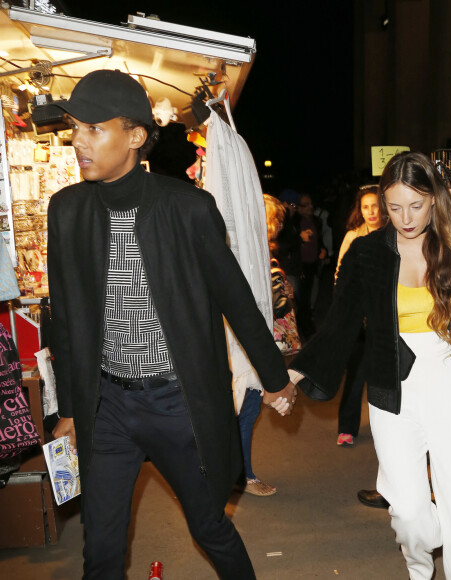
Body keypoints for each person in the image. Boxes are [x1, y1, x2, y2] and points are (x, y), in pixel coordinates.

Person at [47, 70, 297, 580]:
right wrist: (71, 407)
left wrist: (273, 380)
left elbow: (237, 299)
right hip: (108, 405)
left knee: (209, 527)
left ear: (136, 135)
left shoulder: (187, 209)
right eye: (76, 128)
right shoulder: (67, 211)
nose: (80, 141)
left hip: (177, 402)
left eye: (95, 128)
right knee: (101, 549)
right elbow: (67, 318)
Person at [289, 152, 451, 580]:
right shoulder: (367, 253)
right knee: (407, 512)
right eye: (394, 207)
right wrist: (292, 374)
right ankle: (421, 566)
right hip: (393, 386)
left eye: (416, 206)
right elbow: (340, 322)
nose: (405, 218)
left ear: (434, 199)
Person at [233, 194, 288, 498]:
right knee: (247, 409)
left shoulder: (249, 253)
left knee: (242, 410)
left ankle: (238, 473)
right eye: (273, 219)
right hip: (247, 346)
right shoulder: (255, 257)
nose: (276, 226)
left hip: (241, 344)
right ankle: (245, 476)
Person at [335, 185, 387, 447]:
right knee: (355, 375)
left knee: (387, 375)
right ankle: (346, 427)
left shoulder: (393, 234)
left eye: (375, 206)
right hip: (359, 318)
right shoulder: (353, 237)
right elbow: (340, 277)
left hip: (386, 317)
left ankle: (391, 429)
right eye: (366, 207)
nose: (371, 212)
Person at [293, 192, 327, 339]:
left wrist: (323, 250)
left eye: (311, 204)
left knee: (309, 296)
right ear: (299, 208)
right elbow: (290, 243)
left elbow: (319, 239)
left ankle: (306, 325)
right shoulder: (294, 222)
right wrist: (299, 238)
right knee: (302, 298)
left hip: (313, 263)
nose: (310, 207)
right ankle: (305, 328)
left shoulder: (316, 220)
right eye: (305, 205)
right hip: (300, 265)